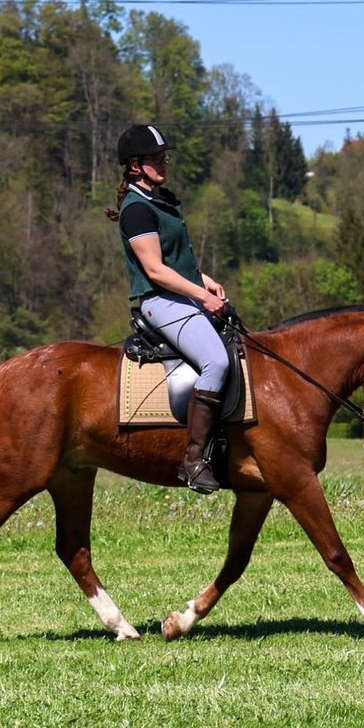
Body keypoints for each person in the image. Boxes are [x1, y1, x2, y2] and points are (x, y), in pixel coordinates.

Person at [105, 124, 229, 494]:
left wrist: (202, 279)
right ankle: (193, 459)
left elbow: (175, 259)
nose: (163, 163)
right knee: (217, 362)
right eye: (155, 159)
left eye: (164, 157)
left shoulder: (162, 199)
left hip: (184, 295)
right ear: (134, 166)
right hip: (160, 302)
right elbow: (156, 270)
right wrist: (203, 297)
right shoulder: (136, 211)